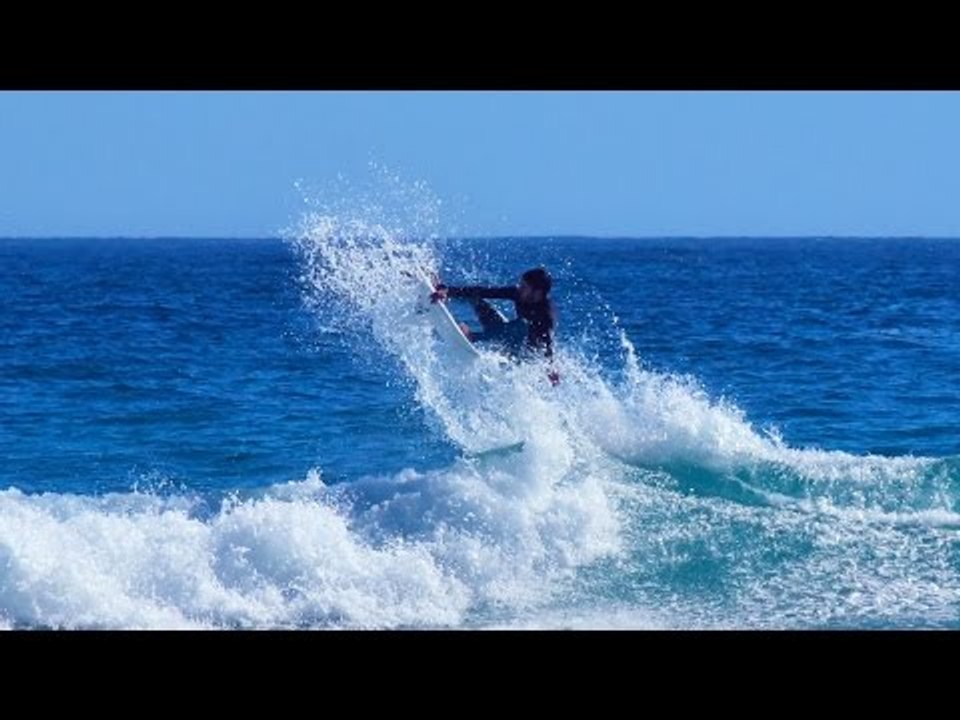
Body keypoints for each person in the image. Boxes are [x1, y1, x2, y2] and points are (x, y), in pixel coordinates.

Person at [430, 267, 560, 385]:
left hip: (519, 353)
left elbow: (547, 343)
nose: (519, 288)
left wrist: (550, 368)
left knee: (523, 324)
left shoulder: (545, 314)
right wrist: (447, 291)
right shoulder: (518, 293)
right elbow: (483, 291)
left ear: (537, 293)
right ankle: (444, 296)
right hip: (503, 335)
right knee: (475, 296)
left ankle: (472, 336)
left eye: (524, 287)